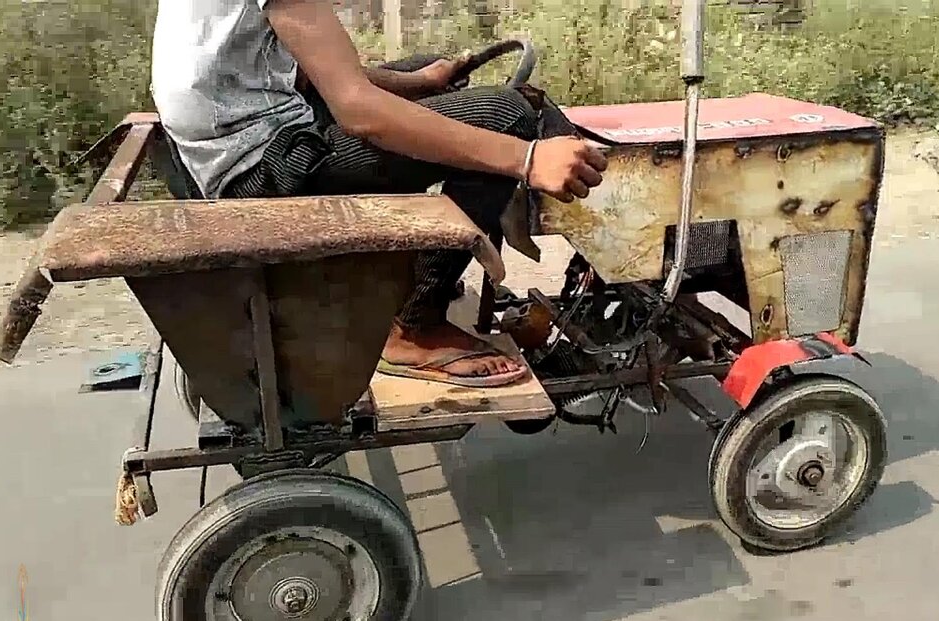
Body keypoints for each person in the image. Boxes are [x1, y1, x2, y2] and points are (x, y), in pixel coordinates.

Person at [150, 0, 607, 387]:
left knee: (418, 72)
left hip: (234, 148)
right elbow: (359, 111)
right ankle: (413, 328)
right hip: (264, 169)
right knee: (505, 116)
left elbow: (304, 74)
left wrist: (420, 83)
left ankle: (412, 280)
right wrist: (527, 158)